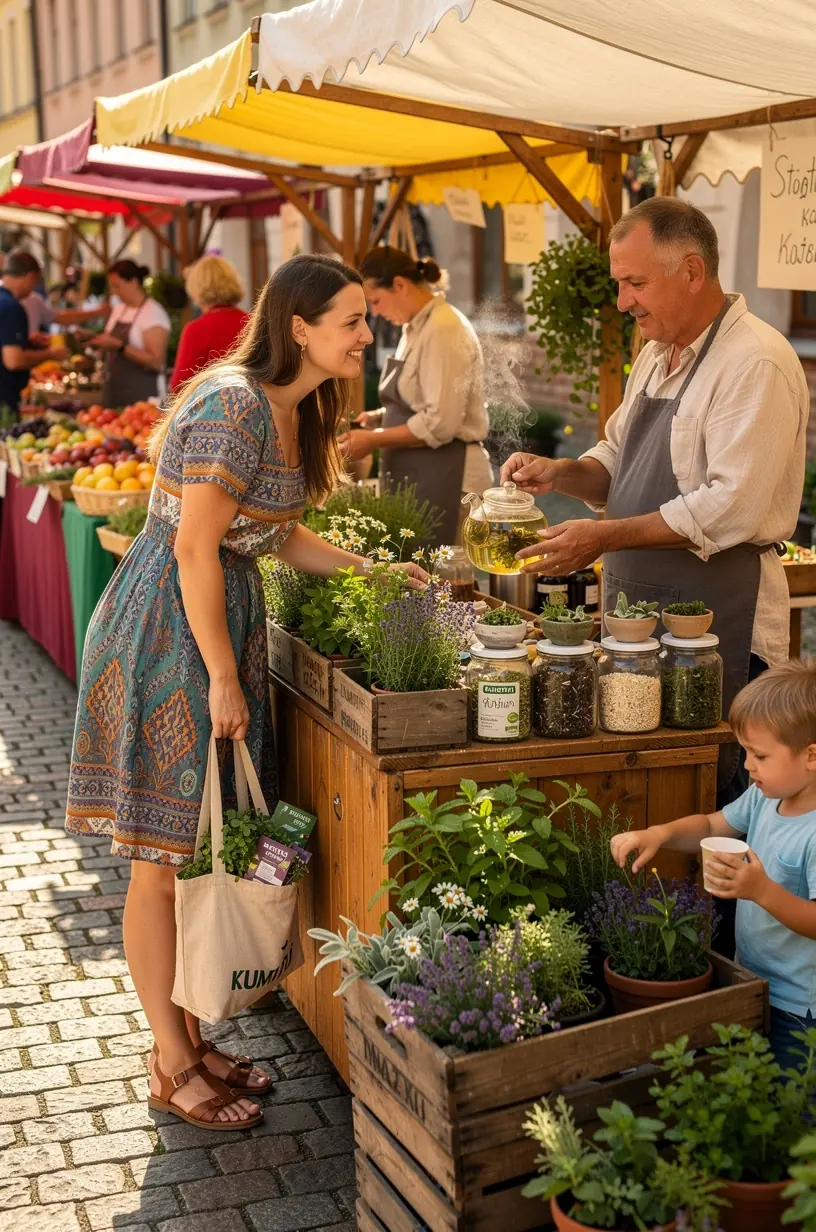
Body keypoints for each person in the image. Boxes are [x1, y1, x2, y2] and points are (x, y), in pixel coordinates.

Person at [64, 254, 427, 1130]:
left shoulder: (290, 409)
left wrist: (377, 574)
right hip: (168, 631)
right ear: (297, 327)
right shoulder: (232, 404)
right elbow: (194, 547)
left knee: (201, 854)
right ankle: (168, 1059)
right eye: (348, 319)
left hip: (212, 615)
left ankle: (188, 1037)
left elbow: (278, 535)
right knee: (159, 863)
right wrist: (225, 675)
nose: (363, 332)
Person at [500, 197, 809, 806]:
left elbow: (733, 505)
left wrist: (606, 536)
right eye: (620, 283)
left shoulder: (756, 361)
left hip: (720, 629)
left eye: (636, 282)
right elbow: (617, 458)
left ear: (692, 272)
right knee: (644, 787)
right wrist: (562, 472)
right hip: (639, 627)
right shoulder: (653, 355)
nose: (622, 302)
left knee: (709, 793)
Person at [610, 660, 816, 1071]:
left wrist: (761, 891)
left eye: (759, 755)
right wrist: (661, 834)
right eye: (745, 752)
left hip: (800, 1009)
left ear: (811, 756)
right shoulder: (766, 797)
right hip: (752, 982)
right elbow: (710, 824)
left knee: (792, 1114)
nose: (746, 766)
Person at [338, 245, 492, 545]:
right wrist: (380, 418)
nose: (376, 314)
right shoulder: (415, 327)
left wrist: (374, 439)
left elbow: (442, 422)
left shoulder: (444, 329)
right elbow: (424, 399)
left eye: (376, 301)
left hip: (450, 475)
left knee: (447, 582)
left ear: (399, 284)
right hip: (424, 474)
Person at [87, 260, 170, 406]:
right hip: (115, 391)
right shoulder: (119, 310)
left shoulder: (153, 313)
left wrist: (119, 345)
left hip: (143, 397)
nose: (114, 291)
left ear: (134, 282)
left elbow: (156, 361)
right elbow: (107, 342)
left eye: (117, 286)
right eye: (112, 287)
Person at [0, 250, 67, 416]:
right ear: (29, 277)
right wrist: (50, 354)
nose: (33, 289)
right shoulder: (12, 308)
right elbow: (13, 361)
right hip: (4, 398)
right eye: (35, 282)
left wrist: (27, 342)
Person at [170, 254, 249, 390]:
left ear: (196, 288)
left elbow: (179, 386)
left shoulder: (197, 329)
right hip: (256, 405)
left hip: (216, 407)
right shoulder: (253, 322)